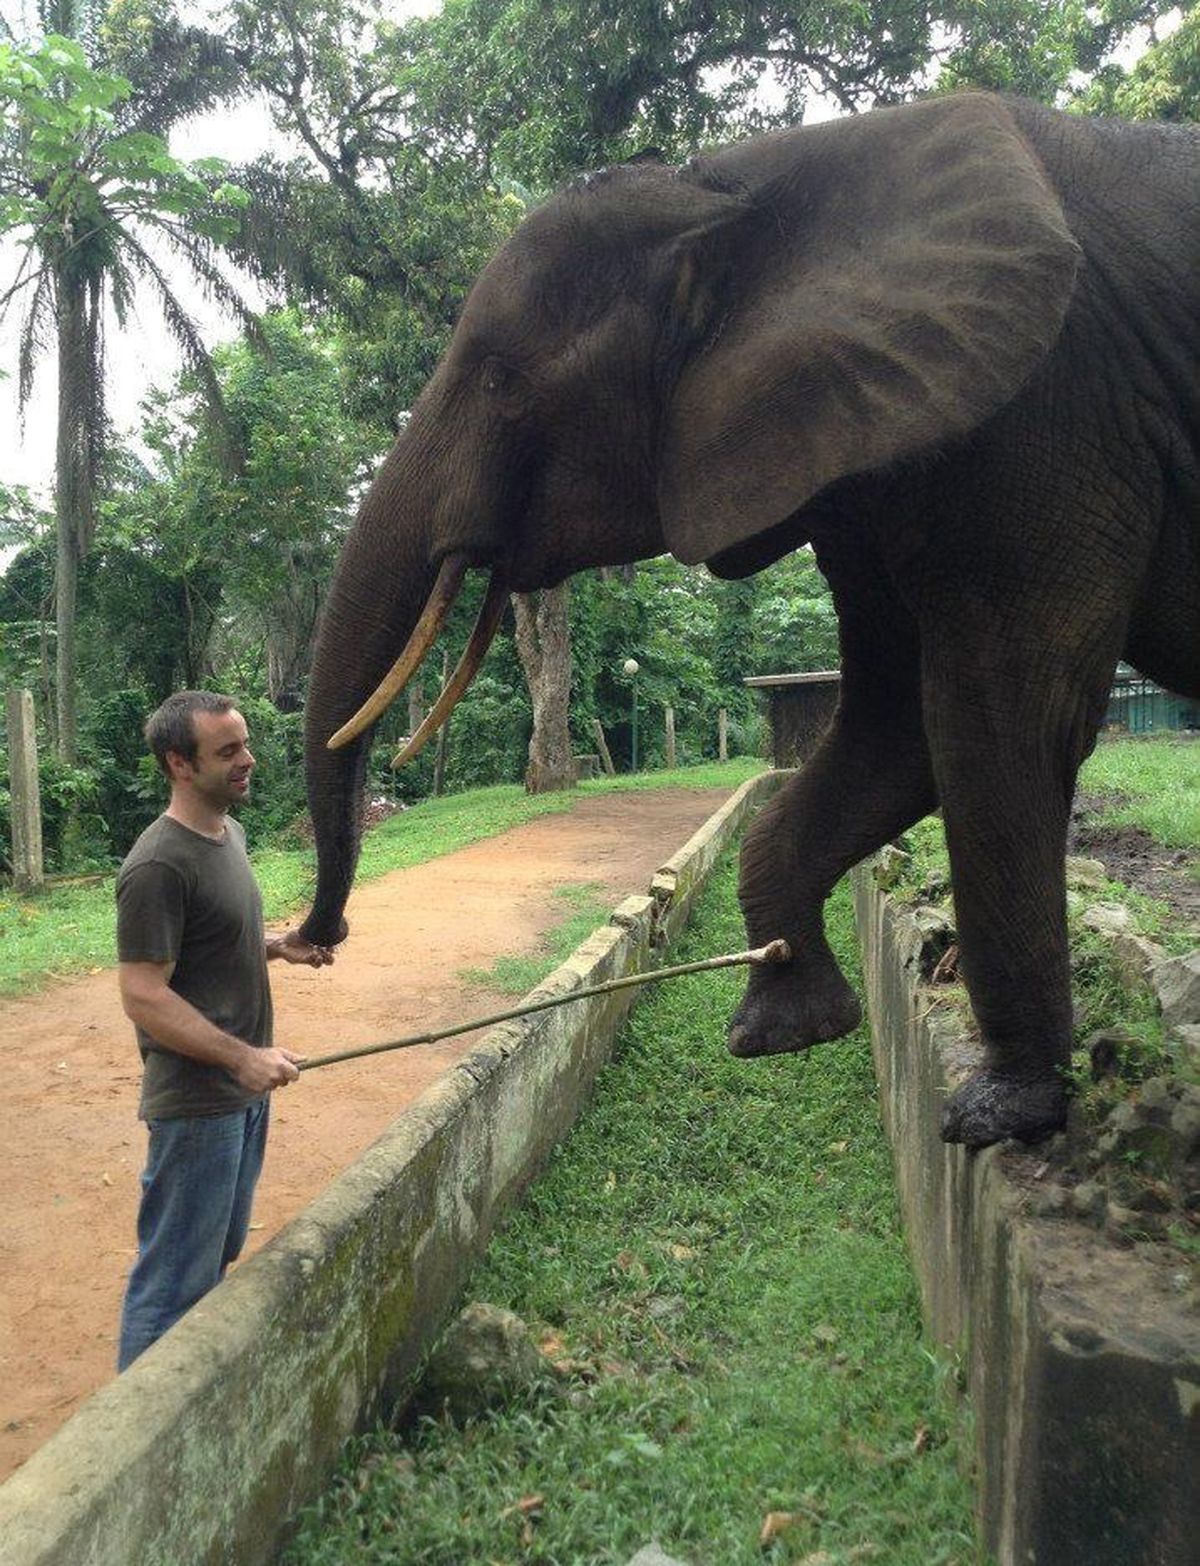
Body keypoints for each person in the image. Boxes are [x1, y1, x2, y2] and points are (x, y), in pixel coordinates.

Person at [115, 690, 334, 1370]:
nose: (249, 760)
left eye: (245, 744)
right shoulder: (157, 865)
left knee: (218, 1251)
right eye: (228, 750)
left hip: (242, 1095)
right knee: (173, 1281)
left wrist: (278, 945)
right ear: (180, 764)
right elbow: (143, 994)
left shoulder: (226, 834)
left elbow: (209, 945)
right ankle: (135, 1449)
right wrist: (241, 1058)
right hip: (199, 1102)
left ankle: (187, 1397)